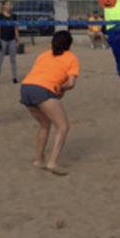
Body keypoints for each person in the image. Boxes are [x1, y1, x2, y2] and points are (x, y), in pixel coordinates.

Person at [20, 30, 79, 175]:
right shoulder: (71, 58)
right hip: (43, 90)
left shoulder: (43, 55)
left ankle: (38, 160)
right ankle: (52, 163)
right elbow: (71, 83)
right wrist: (63, 89)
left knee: (45, 125)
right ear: (69, 45)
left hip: (26, 88)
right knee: (63, 126)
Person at [0, 0, 21, 85]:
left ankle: (14, 77)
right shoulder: (0, 16)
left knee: (13, 59)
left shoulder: (14, 16)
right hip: (3, 40)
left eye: (10, 4)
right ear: (3, 6)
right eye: (7, 4)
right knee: (0, 60)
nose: (9, 6)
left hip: (12, 39)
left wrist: (18, 40)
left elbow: (16, 29)